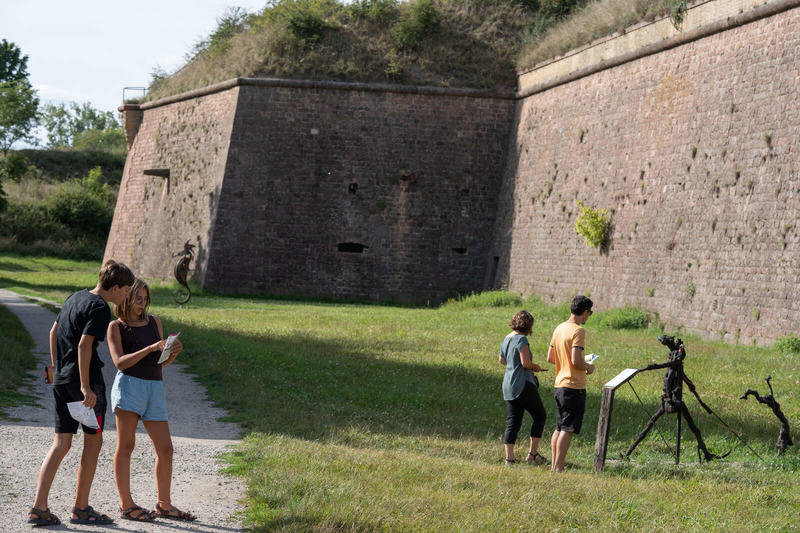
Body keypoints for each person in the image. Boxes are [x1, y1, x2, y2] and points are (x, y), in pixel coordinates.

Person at [28, 259, 134, 527]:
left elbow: (54, 331)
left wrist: (55, 368)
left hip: (62, 381)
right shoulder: (100, 308)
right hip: (84, 386)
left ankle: (39, 508)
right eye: (125, 290)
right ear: (115, 287)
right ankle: (81, 508)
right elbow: (85, 346)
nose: (126, 296)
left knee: (61, 444)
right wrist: (86, 386)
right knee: (94, 442)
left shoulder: (76, 297)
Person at [106, 278, 196, 522]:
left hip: (154, 388)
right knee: (126, 446)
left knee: (166, 449)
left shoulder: (154, 321)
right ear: (126, 298)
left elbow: (161, 362)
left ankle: (164, 505)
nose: (142, 305)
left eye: (145, 300)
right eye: (138, 299)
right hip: (129, 387)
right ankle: (127, 505)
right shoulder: (116, 327)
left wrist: (171, 354)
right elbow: (120, 363)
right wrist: (149, 348)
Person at [547, 295, 595, 473]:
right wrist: (588, 367)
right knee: (568, 429)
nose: (588, 317)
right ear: (584, 312)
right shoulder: (578, 331)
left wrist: (565, 360)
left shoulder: (559, 328)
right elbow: (576, 361)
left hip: (559, 384)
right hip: (573, 386)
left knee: (559, 427)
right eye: (589, 313)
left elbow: (550, 357)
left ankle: (554, 465)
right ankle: (559, 468)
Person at [500, 310, 548, 465]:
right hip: (523, 385)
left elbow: (502, 360)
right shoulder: (521, 339)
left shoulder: (507, 338)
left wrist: (513, 365)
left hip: (508, 384)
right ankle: (533, 454)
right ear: (528, 325)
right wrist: (536, 367)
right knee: (540, 416)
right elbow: (525, 363)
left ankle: (509, 459)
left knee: (513, 421)